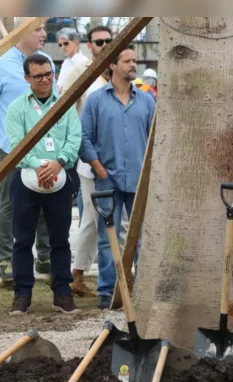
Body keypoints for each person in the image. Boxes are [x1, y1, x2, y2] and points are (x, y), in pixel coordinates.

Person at [0, 19, 56, 284]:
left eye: (44, 28)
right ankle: (6, 260)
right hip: (12, 150)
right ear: (21, 32)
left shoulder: (46, 63)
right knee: (10, 205)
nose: (44, 33)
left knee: (46, 201)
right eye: (38, 29)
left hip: (45, 149)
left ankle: (44, 257)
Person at [79, 45, 155, 309]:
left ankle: (142, 287)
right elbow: (84, 138)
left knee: (143, 235)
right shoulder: (96, 100)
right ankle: (108, 289)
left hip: (139, 179)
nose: (133, 65)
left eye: (135, 60)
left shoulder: (146, 100)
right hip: (106, 179)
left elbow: (154, 139)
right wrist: (99, 169)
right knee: (106, 236)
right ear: (112, 65)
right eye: (127, 61)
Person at [6, 54, 81, 315]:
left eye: (49, 74)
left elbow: (74, 138)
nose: (45, 80)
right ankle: (22, 293)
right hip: (27, 178)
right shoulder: (17, 108)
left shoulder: (65, 105)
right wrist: (39, 165)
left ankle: (62, 292)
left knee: (60, 239)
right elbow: (16, 143)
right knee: (22, 240)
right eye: (38, 76)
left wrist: (58, 162)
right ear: (27, 78)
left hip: (61, 176)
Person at [61, 25, 115, 298]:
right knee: (93, 220)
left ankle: (107, 274)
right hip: (89, 161)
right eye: (98, 42)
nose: (104, 45)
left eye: (108, 40)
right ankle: (77, 276)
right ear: (89, 45)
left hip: (120, 160)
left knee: (112, 221)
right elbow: (64, 107)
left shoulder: (117, 74)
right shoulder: (82, 72)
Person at [56, 27, 89, 94]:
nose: (63, 47)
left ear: (76, 42)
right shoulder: (66, 62)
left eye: (66, 43)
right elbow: (59, 87)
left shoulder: (84, 62)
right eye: (60, 45)